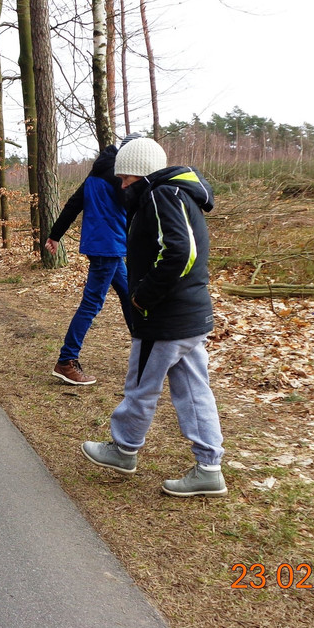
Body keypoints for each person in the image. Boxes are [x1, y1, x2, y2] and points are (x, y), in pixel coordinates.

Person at [80, 137, 227, 496]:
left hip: (165, 318)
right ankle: (209, 468)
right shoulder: (176, 194)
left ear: (144, 174)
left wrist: (143, 296)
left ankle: (124, 449)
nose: (123, 186)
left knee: (141, 387)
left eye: (127, 179)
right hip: (188, 317)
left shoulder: (162, 195)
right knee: (195, 390)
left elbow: (180, 253)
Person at [46, 142, 134, 385]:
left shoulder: (95, 175)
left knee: (128, 295)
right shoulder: (119, 177)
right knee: (91, 304)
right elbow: (133, 207)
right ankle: (66, 360)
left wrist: (55, 235)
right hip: (108, 247)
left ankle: (144, 350)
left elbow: (73, 204)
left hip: (105, 247)